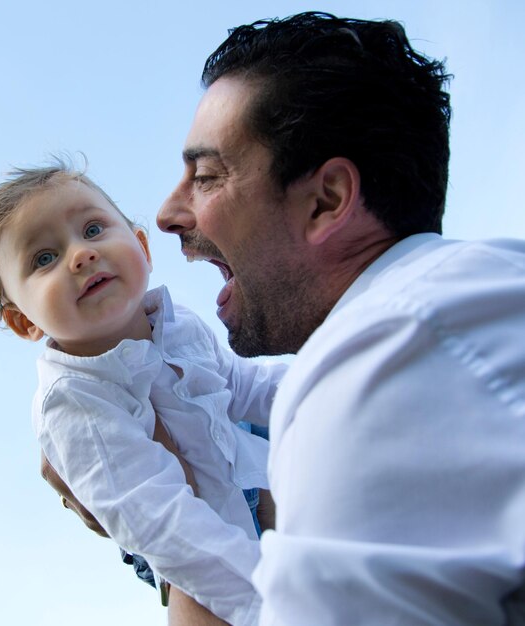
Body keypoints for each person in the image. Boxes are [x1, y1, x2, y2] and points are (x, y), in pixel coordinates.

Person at [157, 11, 525, 625]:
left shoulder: (377, 362)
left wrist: (170, 521)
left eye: (206, 176)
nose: (168, 213)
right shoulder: (472, 298)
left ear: (326, 201)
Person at [0, 161, 286, 626]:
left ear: (141, 246)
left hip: (249, 473)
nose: (80, 255)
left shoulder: (180, 328)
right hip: (195, 549)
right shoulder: (72, 400)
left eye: (93, 229)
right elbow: (165, 526)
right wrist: (279, 603)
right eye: (43, 258)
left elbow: (242, 387)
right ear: (24, 321)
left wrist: (329, 387)